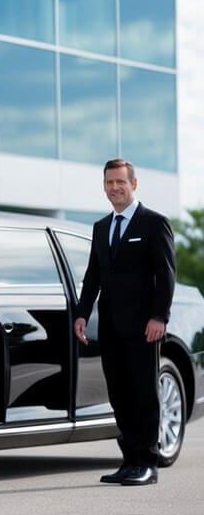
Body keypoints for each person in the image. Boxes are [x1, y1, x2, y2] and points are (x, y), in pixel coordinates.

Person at [73, 158, 176, 486]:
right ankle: (130, 460)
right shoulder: (101, 227)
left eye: (120, 182)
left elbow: (166, 273)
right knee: (119, 393)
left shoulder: (153, 223)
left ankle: (148, 463)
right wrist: (82, 313)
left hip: (144, 326)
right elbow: (93, 275)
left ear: (134, 184)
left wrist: (159, 316)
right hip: (111, 326)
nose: (114, 188)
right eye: (109, 183)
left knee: (144, 393)